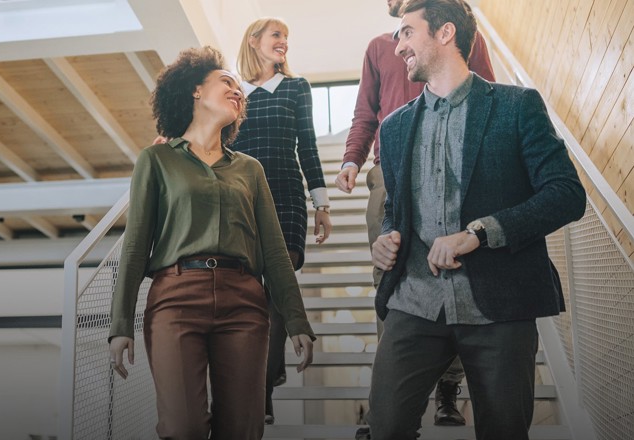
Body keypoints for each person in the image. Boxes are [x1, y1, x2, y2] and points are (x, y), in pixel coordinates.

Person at [368, 0, 586, 439]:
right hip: (414, 302)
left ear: (445, 33)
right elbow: (397, 211)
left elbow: (566, 194)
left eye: (407, 33)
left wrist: (479, 234)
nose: (397, 47)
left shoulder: (517, 106)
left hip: (500, 303)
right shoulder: (392, 128)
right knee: (387, 427)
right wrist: (388, 236)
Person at [108, 46, 315, 440]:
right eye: (226, 82)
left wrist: (296, 321)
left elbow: (274, 251)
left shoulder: (249, 169)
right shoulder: (156, 161)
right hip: (175, 299)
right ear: (195, 91)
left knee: (243, 430)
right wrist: (121, 324)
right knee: (183, 427)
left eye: (240, 87)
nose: (237, 91)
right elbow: (134, 247)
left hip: (245, 303)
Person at [335, 0, 495, 431]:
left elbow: (488, 97)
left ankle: (448, 390)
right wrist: (352, 158)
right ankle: (387, 399)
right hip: (390, 171)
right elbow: (365, 111)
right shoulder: (379, 47)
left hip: (455, 169)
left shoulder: (458, 32)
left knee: (457, 275)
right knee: (390, 279)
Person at [233, 17, 332, 425]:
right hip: (242, 201)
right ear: (254, 41)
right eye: (277, 36)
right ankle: (267, 375)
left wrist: (321, 203)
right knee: (251, 296)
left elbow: (307, 145)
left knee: (275, 291)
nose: (284, 43)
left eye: (286, 38)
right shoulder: (234, 93)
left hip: (287, 198)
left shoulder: (296, 87)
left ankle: (259, 392)